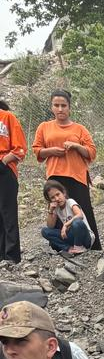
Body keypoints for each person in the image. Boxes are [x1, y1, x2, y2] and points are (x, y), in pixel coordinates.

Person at [32, 91, 100, 249]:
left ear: (69, 108)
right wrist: (51, 151)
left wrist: (76, 146)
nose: (60, 109)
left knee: (82, 211)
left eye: (64, 105)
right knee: (56, 210)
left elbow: (91, 152)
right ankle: (62, 246)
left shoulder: (80, 129)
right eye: (56, 105)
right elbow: (37, 150)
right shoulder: (44, 127)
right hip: (55, 176)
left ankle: (90, 246)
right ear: (52, 107)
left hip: (76, 176)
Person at [0, 100, 26, 265]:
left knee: (8, 212)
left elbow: (20, 147)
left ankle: (11, 256)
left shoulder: (7, 116)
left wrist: (4, 161)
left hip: (4, 169)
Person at [41, 180, 94, 255]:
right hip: (72, 237)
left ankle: (79, 247)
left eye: (58, 194)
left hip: (85, 238)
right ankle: (69, 248)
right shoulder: (57, 209)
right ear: (50, 200)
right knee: (45, 231)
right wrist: (51, 211)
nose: (56, 198)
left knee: (77, 222)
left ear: (64, 193)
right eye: (52, 197)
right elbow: (50, 226)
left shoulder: (70, 202)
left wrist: (65, 225)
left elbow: (80, 215)